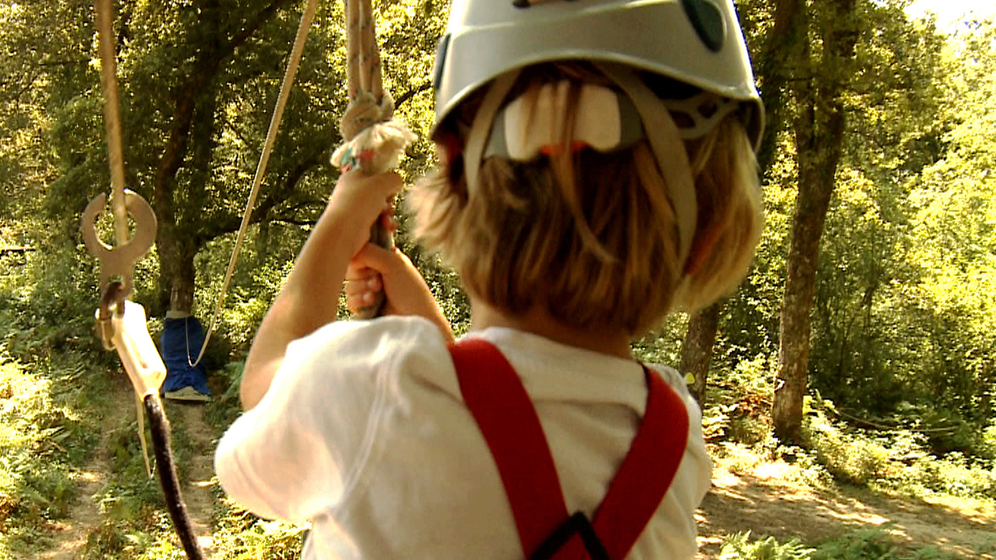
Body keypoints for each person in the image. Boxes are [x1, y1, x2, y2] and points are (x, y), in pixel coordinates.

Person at [215, 0, 764, 558]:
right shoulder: (674, 437)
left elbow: (262, 394)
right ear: (708, 236)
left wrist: (337, 224)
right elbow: (498, 420)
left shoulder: (366, 389)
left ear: (451, 176)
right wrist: (397, 276)